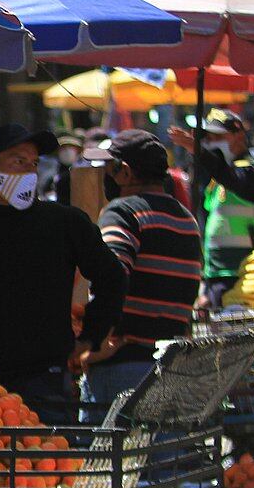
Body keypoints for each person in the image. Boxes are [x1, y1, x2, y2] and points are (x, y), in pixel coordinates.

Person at [0, 125, 127, 422]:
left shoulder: (65, 224)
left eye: (33, 163)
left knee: (52, 452)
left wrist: (90, 337)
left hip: (47, 379)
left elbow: (113, 277)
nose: (29, 171)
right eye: (18, 161)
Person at [78, 131, 201, 422]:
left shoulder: (122, 212)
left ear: (125, 172)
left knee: (105, 452)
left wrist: (92, 344)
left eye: (109, 169)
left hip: (122, 368)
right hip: (170, 369)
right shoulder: (187, 219)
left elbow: (111, 278)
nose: (105, 177)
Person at [169, 110, 254, 310]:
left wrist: (198, 150)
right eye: (208, 138)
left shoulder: (253, 173)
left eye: (218, 137)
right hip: (216, 274)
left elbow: (231, 177)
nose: (212, 142)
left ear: (239, 136)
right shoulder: (219, 179)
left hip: (245, 274)